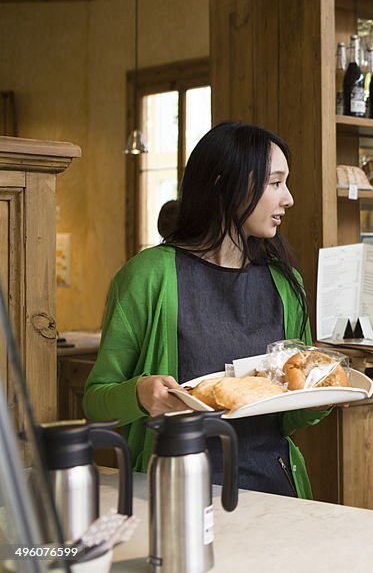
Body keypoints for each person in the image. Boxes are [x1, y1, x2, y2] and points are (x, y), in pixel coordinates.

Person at [84, 122, 329, 498]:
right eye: (275, 183)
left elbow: (290, 415)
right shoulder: (148, 276)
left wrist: (320, 398)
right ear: (223, 183)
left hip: (274, 491)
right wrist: (140, 394)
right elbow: (96, 403)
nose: (289, 198)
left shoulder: (285, 282)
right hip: (174, 492)